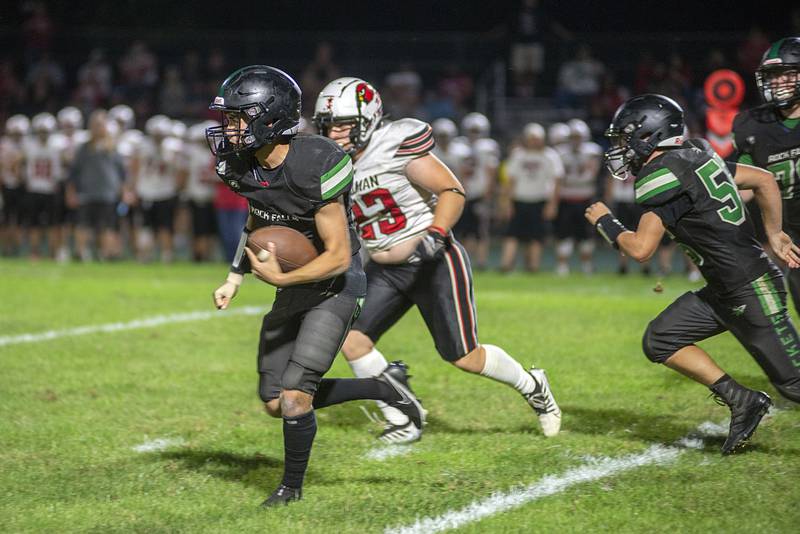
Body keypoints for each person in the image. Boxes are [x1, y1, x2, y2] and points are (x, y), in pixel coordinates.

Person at [206, 66, 425, 507]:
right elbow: (258, 219)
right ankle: (385, 386)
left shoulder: (317, 161)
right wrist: (236, 275)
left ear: (269, 118)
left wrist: (283, 277)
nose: (229, 127)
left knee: (293, 398)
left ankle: (290, 489)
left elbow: (339, 256)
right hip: (297, 284)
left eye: (238, 117)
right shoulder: (239, 165)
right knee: (272, 401)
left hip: (338, 284)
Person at [313, 77, 561, 444]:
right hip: (385, 268)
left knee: (464, 357)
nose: (334, 134)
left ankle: (532, 384)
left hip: (432, 258)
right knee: (351, 339)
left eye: (343, 124)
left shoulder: (394, 144)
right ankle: (404, 415)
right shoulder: (332, 165)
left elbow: (452, 190)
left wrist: (436, 235)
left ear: (369, 118)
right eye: (328, 125)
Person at [586, 94, 800, 454]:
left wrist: (606, 222)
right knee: (661, 339)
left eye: (625, 139)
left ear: (649, 135)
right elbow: (763, 180)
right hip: (725, 288)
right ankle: (743, 401)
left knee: (794, 384)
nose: (621, 149)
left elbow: (640, 249)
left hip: (751, 287)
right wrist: (775, 232)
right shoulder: (697, 154)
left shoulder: (660, 176)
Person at [732, 37, 800, 314]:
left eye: (788, 73)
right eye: (773, 75)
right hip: (793, 238)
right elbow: (748, 184)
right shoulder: (753, 126)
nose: (779, 82)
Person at [500, 122, 562, 272]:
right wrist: (506, 202)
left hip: (539, 200)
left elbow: (557, 180)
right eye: (531, 138)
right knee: (512, 235)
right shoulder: (518, 155)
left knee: (536, 237)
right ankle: (506, 265)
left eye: (537, 138)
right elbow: (511, 181)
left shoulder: (550, 156)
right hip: (519, 200)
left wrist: (552, 204)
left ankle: (533, 266)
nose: (534, 141)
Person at [66, 110, 125, 261]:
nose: (98, 128)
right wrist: (71, 191)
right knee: (83, 225)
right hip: (86, 192)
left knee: (107, 226)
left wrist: (124, 191)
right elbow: (74, 172)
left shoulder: (113, 148)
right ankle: (81, 253)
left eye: (100, 125)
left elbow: (122, 172)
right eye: (95, 125)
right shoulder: (84, 148)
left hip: (108, 193)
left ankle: (105, 255)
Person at [554, 119, 602, 275]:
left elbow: (591, 175)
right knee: (563, 235)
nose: (575, 140)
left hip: (585, 199)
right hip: (566, 199)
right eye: (573, 137)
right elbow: (559, 177)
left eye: (578, 136)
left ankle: (586, 265)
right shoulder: (560, 152)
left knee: (586, 236)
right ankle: (562, 266)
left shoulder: (592, 151)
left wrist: (572, 179)